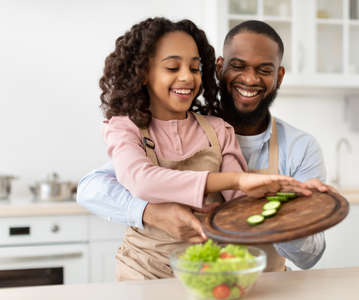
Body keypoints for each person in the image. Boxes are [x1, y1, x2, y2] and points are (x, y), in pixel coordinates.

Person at [89, 17, 317, 280]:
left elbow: (239, 201)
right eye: (173, 67)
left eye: (195, 68)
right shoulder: (124, 128)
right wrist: (236, 179)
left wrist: (291, 197)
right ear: (143, 72)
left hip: (205, 274)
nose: (187, 77)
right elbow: (141, 181)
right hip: (142, 273)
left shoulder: (218, 129)